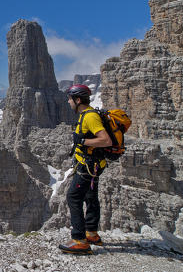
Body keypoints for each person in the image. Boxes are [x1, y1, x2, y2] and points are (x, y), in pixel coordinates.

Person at [58, 84, 112, 255]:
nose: (68, 102)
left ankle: (80, 240)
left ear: (78, 100)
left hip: (88, 166)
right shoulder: (87, 114)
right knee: (90, 196)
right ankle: (92, 234)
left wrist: (82, 142)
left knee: (73, 196)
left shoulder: (90, 117)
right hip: (93, 165)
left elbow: (106, 140)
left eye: (70, 99)